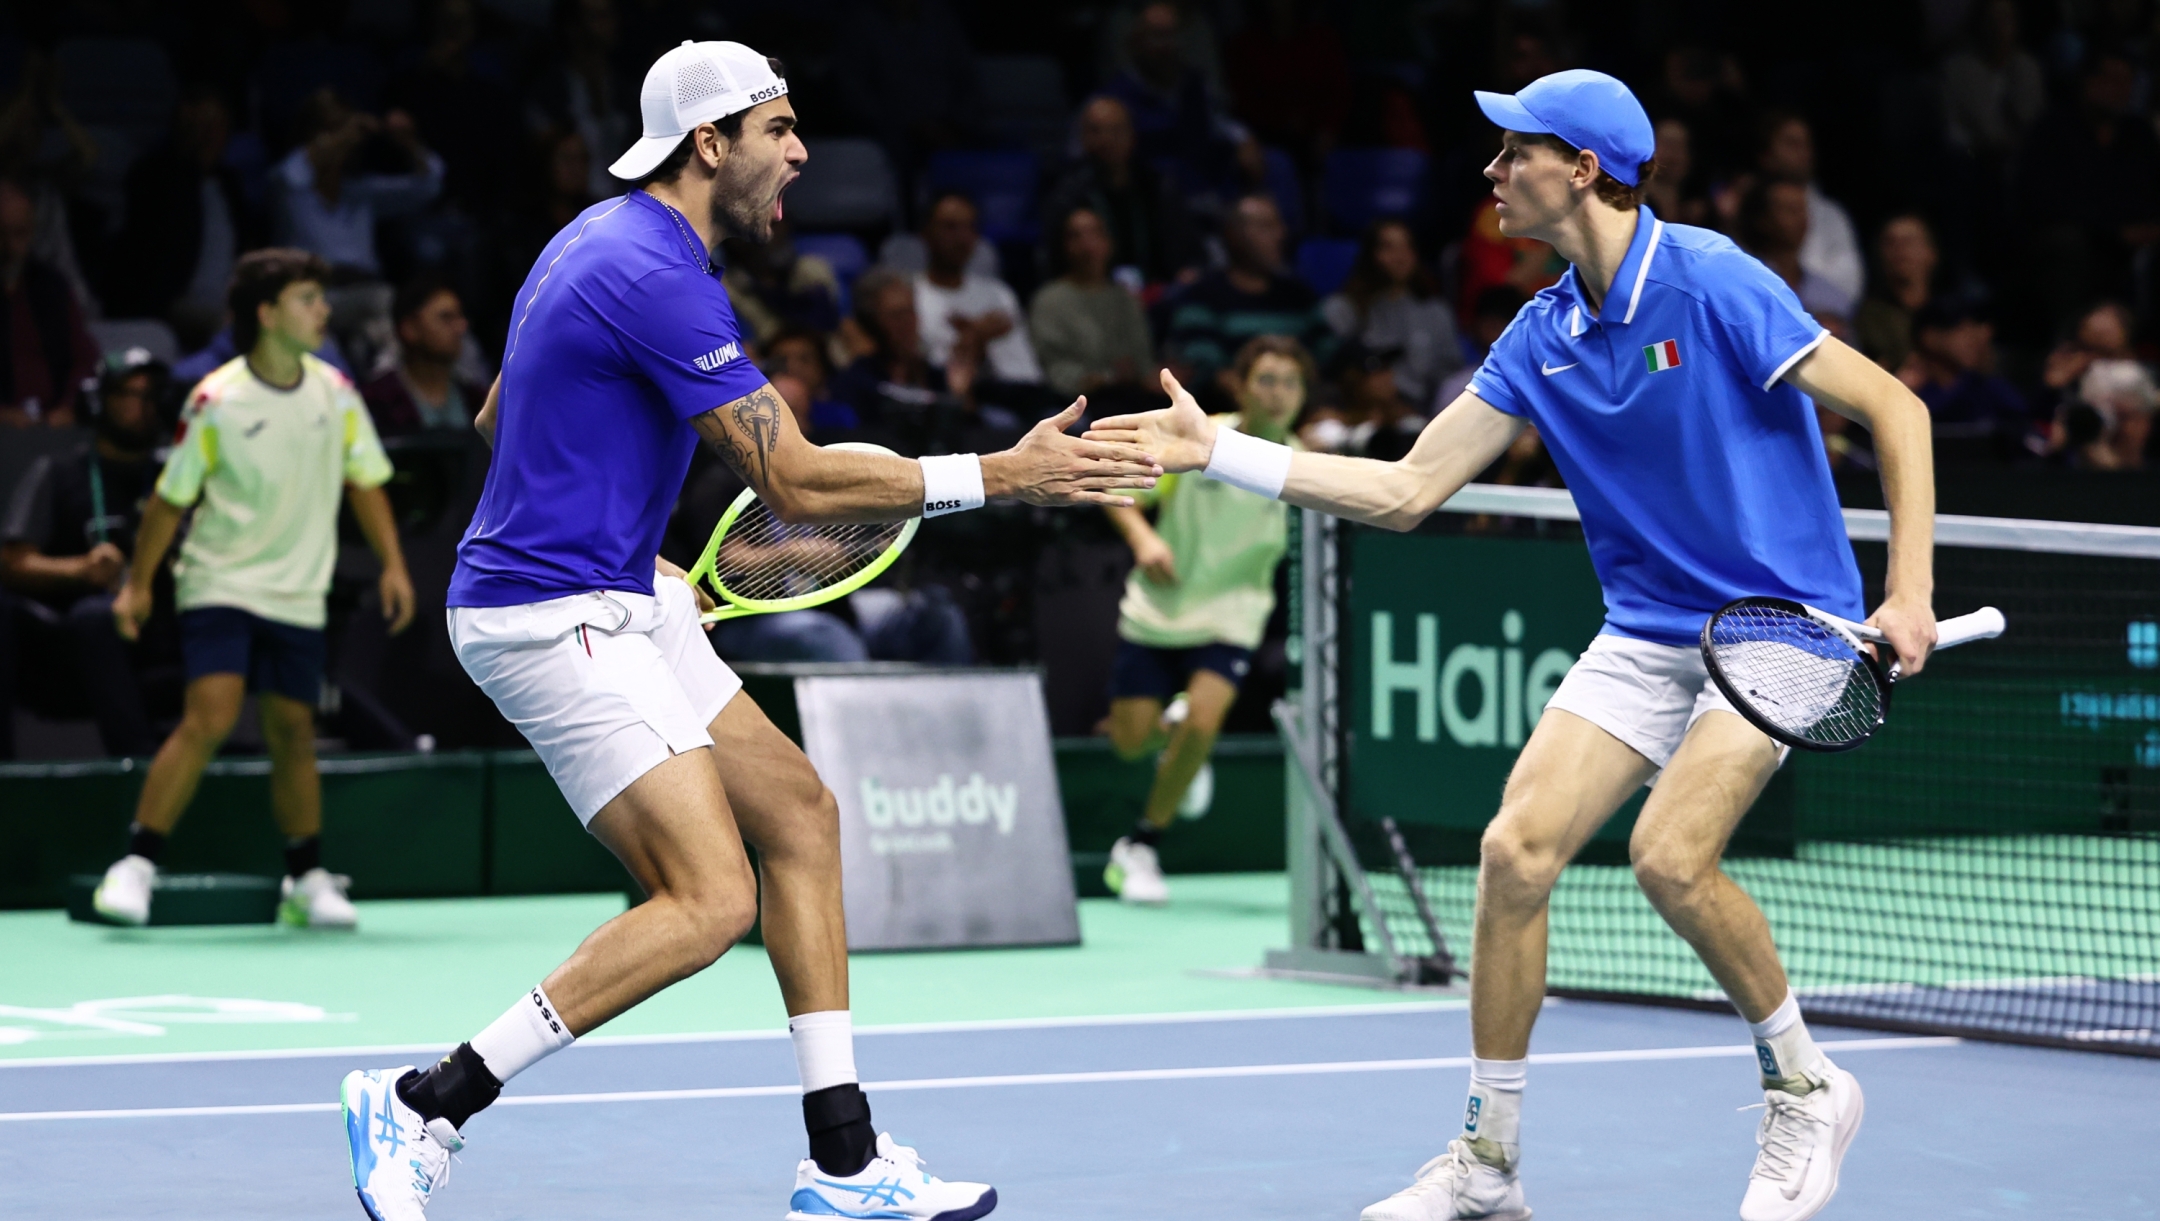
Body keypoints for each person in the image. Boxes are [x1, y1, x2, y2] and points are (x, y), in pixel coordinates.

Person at [1089, 69, 1941, 1221]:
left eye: (1514, 152)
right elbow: (1404, 489)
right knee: (1513, 856)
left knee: (1669, 856)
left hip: (1788, 629)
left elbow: (1900, 408)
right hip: (1648, 630)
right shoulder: (1541, 334)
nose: (1491, 172)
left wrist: (1910, 593)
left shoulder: (1715, 281)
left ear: (1581, 168)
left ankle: (1807, 1082)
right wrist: (1218, 453)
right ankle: (1488, 1167)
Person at [336, 42, 1157, 1221]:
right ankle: (425, 1103)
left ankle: (845, 1162)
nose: (801, 152)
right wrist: (1003, 472)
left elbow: (495, 413)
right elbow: (806, 487)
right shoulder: (653, 273)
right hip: (547, 617)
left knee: (801, 818)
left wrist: (626, 539)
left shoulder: (598, 239)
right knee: (710, 899)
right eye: (779, 129)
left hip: (620, 592)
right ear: (710, 145)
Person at [89, 249, 416, 932]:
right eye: (307, 299)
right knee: (211, 711)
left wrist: (393, 564)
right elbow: (169, 500)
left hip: (298, 591)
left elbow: (366, 481)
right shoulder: (216, 399)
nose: (323, 310)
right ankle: (137, 863)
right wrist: (137, 586)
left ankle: (303, 876)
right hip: (220, 579)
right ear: (267, 314)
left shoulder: (337, 392)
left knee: (294, 727)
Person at [1101, 335, 1306, 904]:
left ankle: (1142, 844)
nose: (1278, 393)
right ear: (1240, 385)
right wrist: (1143, 539)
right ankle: (1177, 752)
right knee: (1129, 742)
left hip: (1234, 613)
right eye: (1266, 379)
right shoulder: (1201, 436)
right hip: (1159, 605)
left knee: (1206, 718)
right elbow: (1119, 493)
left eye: (1291, 382)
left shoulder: (1302, 465)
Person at [0, 350, 172, 759]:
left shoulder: (177, 477)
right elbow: (11, 562)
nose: (141, 408)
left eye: (152, 397)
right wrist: (79, 570)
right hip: (73, 641)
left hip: (163, 624)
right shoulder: (58, 474)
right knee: (93, 617)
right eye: (127, 395)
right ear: (98, 402)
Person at [108, 86, 260, 341]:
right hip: (179, 302)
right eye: (200, 126)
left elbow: (248, 244)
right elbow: (148, 255)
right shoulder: (155, 176)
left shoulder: (230, 184)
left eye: (216, 125)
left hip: (229, 296)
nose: (209, 135)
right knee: (228, 327)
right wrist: (190, 163)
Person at [1159, 192, 1331, 385]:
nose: (1281, 234)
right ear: (1234, 235)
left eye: (1279, 225)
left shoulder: (1299, 295)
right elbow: (1205, 369)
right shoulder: (1201, 298)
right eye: (1267, 226)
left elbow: (1330, 355)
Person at [272, 89, 445, 278]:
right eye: (330, 130)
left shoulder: (362, 192)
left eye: (347, 131)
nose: (343, 139)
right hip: (313, 289)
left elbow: (429, 187)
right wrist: (347, 132)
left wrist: (408, 141)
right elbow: (292, 172)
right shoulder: (289, 186)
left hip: (365, 289)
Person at [1040, 95, 1201, 286]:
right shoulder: (1067, 197)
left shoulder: (1159, 188)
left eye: (1116, 130)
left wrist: (1187, 274)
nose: (1106, 139)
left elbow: (1191, 254)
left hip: (1158, 294)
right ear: (1083, 138)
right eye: (1096, 131)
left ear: (1132, 136)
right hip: (1093, 296)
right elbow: (1053, 265)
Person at [1322, 219, 1463, 407]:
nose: (1400, 257)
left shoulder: (1437, 313)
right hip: (1358, 413)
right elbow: (1330, 373)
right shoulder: (1341, 309)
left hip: (1422, 415)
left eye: (1407, 247)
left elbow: (1451, 376)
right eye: (1388, 248)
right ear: (1370, 255)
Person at [913, 192, 1042, 385]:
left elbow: (1025, 373)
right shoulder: (911, 297)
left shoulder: (999, 294)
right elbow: (923, 370)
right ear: (925, 233)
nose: (961, 238)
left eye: (970, 227)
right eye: (950, 227)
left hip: (1009, 400)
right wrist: (974, 338)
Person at [0, 178, 97, 427]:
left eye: (19, 233)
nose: (9, 247)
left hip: (49, 427)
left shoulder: (50, 285)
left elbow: (84, 360)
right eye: (1, 234)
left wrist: (68, 406)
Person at [1031, 206, 1155, 397]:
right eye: (1076, 236)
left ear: (1110, 242)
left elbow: (1143, 361)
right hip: (1075, 403)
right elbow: (1053, 367)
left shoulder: (1125, 298)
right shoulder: (1049, 300)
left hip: (1134, 397)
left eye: (1095, 233)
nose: (1088, 245)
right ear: (1064, 245)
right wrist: (1101, 378)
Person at [1753, 112, 1864, 309]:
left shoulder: (1832, 215)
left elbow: (1849, 283)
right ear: (1766, 154)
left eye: (1806, 143)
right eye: (1791, 143)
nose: (1802, 152)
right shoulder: (1746, 210)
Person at [361, 277, 484, 437]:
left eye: (460, 316)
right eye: (445, 318)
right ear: (409, 328)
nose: (460, 327)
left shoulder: (477, 400)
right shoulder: (376, 402)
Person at [1738, 176, 1855, 323]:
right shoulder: (1744, 282)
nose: (1801, 218)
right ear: (1763, 220)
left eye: (1803, 209)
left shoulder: (1831, 296)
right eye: (1790, 210)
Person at [722, 219, 842, 344]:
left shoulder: (813, 270)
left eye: (774, 224)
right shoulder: (726, 287)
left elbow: (828, 329)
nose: (769, 234)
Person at [1854, 213, 1939, 372]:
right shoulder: (1870, 317)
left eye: (1909, 241)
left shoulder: (1954, 311)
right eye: (1890, 242)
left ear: (1931, 253)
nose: (1899, 250)